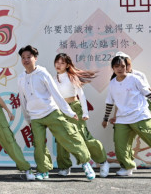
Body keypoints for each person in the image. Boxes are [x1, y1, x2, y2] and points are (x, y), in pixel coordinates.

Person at [17, 45, 96, 181]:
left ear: (35, 58)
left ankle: (85, 163)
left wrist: (69, 112)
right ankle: (43, 170)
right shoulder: (21, 78)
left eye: (29, 57)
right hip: (35, 117)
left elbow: (56, 94)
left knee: (69, 136)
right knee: (39, 145)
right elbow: (23, 100)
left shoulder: (43, 73)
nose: (26, 60)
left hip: (51, 112)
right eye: (23, 58)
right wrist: (28, 118)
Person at [53, 53, 110, 178]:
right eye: (57, 62)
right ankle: (64, 166)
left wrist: (85, 112)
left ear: (67, 65)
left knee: (83, 136)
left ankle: (102, 161)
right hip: (60, 110)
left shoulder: (71, 77)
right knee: (61, 138)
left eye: (62, 63)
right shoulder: (53, 79)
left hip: (74, 108)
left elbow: (81, 94)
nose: (59, 65)